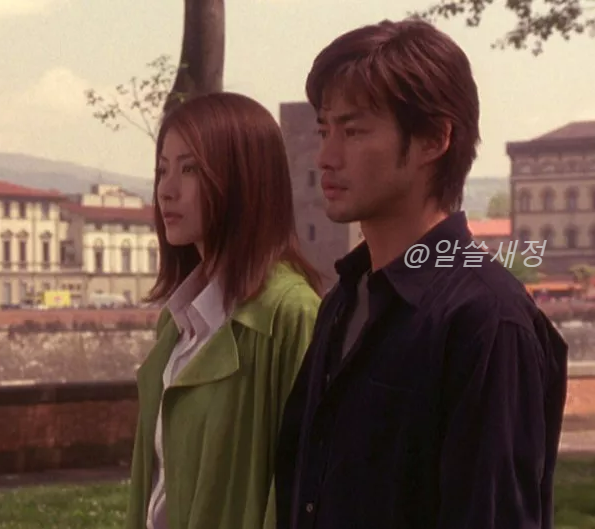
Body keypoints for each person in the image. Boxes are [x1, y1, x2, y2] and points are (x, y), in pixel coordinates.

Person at [274, 19, 569, 529]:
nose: (326, 157)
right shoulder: (343, 301)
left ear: (434, 138)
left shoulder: (487, 320)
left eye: (353, 131)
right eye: (324, 131)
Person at [124, 91, 323, 529]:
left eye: (190, 169)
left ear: (243, 179)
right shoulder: (177, 322)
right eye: (162, 170)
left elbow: (304, 488)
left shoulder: (290, 314)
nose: (166, 190)